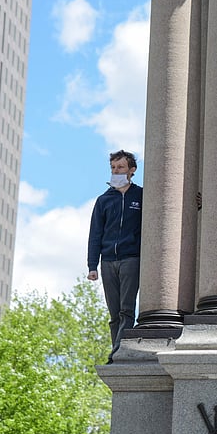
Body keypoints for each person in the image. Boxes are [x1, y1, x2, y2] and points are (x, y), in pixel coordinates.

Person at [87, 149, 143, 363]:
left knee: (127, 310)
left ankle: (119, 353)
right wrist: (92, 265)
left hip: (131, 259)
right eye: (113, 167)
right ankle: (117, 350)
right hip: (108, 261)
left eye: (120, 167)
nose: (116, 171)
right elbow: (95, 234)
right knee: (114, 313)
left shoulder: (140, 195)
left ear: (132, 170)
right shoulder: (104, 200)